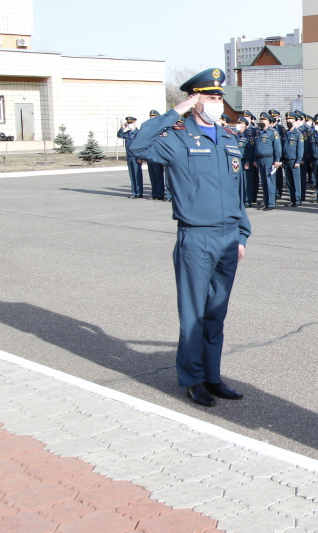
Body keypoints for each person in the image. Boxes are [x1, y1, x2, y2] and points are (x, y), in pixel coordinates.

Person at [129, 68, 251, 407]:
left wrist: (242, 234)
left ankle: (213, 377)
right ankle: (193, 379)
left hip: (228, 238)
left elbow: (236, 191)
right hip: (196, 238)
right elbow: (138, 145)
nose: (218, 102)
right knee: (194, 313)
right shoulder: (177, 138)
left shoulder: (229, 138)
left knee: (216, 313)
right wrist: (176, 111)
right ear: (195, 99)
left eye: (219, 97)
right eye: (211, 97)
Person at [117, 116, 144, 198]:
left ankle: (139, 193)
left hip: (136, 157)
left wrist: (140, 157)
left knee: (137, 175)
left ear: (135, 123)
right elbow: (119, 135)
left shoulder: (138, 133)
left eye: (131, 123)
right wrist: (122, 128)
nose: (129, 124)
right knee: (132, 175)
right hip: (129, 156)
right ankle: (134, 192)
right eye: (128, 123)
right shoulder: (128, 133)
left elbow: (141, 146)